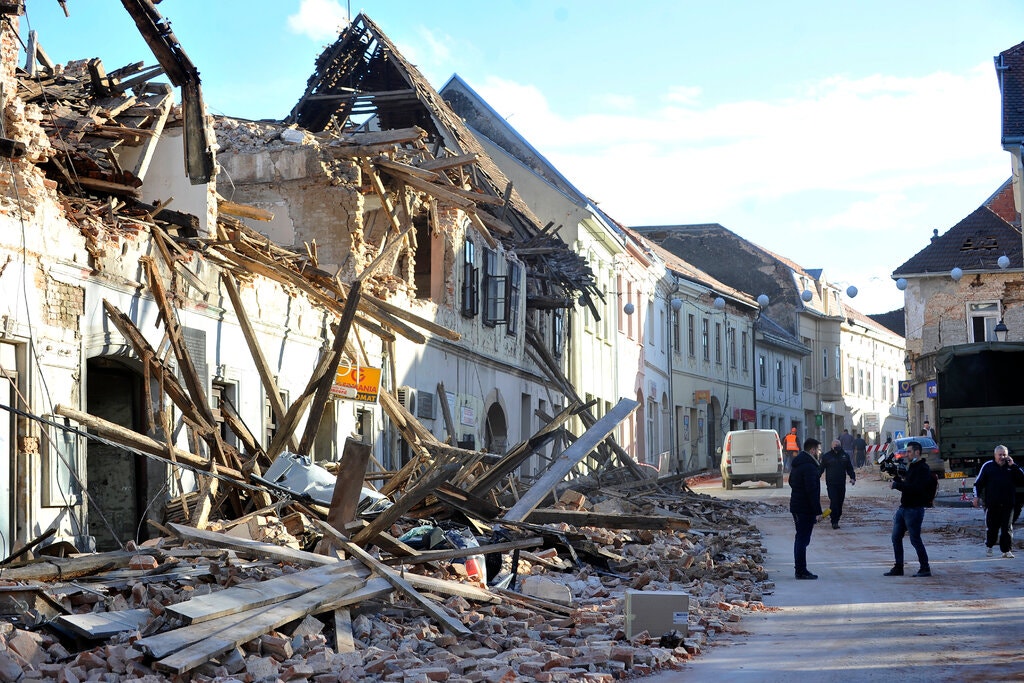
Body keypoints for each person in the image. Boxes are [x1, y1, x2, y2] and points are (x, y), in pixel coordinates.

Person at [884, 441, 932, 577]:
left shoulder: (923, 469)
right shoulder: (912, 467)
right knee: (896, 537)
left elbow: (915, 488)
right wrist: (896, 479)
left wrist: (897, 485)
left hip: (914, 509)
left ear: (917, 452)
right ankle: (898, 567)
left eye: (909, 451)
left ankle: (925, 567)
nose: (907, 454)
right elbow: (906, 484)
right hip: (904, 508)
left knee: (915, 539)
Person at [972, 445, 1024, 558]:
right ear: (995, 455)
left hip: (1008, 503)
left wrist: (1013, 466)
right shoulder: (988, 466)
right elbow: (978, 483)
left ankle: (1006, 550)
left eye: (1004, 454)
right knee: (992, 527)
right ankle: (989, 546)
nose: (1002, 457)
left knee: (1007, 528)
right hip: (992, 503)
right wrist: (976, 497)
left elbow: (1022, 479)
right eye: (1000, 455)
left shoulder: (1012, 467)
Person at [790, 438, 823, 579]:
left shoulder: (798, 463)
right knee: (802, 539)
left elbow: (791, 481)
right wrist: (817, 511)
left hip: (797, 506)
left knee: (801, 538)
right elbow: (812, 490)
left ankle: (800, 568)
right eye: (819, 450)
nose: (820, 452)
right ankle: (801, 570)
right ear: (812, 450)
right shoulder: (809, 466)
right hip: (804, 507)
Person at [820, 439, 856, 529]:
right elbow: (821, 469)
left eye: (838, 445)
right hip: (831, 483)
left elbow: (849, 468)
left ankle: (836, 517)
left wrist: (852, 478)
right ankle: (834, 521)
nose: (837, 446)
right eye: (835, 445)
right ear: (831, 446)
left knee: (839, 503)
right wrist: (815, 477)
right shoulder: (826, 456)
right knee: (834, 501)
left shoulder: (845, 456)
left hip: (841, 483)